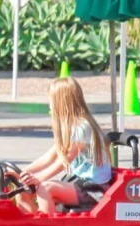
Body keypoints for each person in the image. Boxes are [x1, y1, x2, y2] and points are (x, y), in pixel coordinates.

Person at [12, 77, 112, 214]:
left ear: (61, 102)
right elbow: (49, 157)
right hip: (78, 182)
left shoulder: (82, 127)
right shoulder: (70, 128)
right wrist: (21, 173)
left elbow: (63, 161)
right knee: (22, 190)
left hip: (93, 189)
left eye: (51, 101)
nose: (49, 105)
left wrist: (39, 179)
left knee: (45, 188)